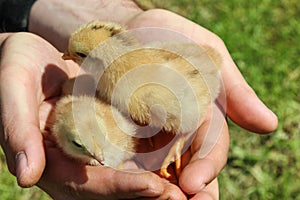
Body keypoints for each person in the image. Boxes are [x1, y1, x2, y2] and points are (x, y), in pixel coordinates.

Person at [0, 1, 278, 199]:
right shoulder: (111, 80)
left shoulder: (134, 93)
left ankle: (176, 150)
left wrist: (174, 146)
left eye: (78, 56)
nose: (68, 59)